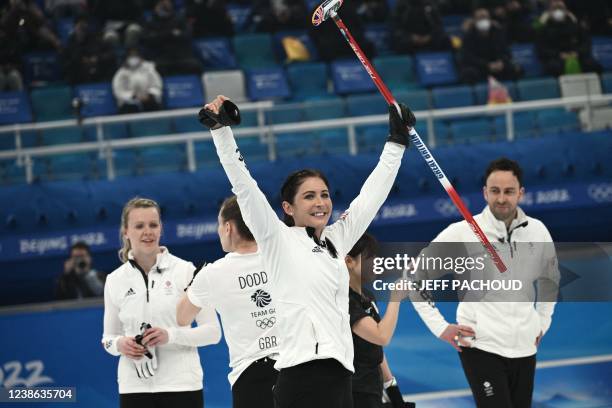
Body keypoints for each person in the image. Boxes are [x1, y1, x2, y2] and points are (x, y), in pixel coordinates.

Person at [198, 95, 415, 408]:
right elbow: (244, 186)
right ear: (288, 207)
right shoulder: (277, 240)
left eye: (324, 195)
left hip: (342, 376)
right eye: (309, 196)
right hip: (301, 379)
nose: (320, 203)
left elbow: (372, 196)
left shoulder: (336, 241)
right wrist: (221, 131)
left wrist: (396, 143)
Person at [409, 158, 559, 407]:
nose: (501, 198)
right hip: (481, 347)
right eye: (495, 191)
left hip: (525, 348)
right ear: (484, 193)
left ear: (521, 193)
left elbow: (550, 281)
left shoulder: (538, 231)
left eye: (509, 191)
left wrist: (542, 322)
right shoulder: (462, 233)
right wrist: (440, 327)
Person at [101, 197, 222, 408]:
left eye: (153, 225)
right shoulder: (114, 280)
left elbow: (213, 332)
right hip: (134, 388)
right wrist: (121, 344)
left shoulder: (185, 271)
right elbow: (108, 339)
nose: (147, 231)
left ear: (161, 229)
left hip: (182, 387)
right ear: (126, 232)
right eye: (139, 226)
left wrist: (170, 335)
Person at [176, 195, 279, 408]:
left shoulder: (212, 273)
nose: (218, 230)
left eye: (219, 224)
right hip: (297, 369)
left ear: (229, 227)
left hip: (251, 376)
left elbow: (182, 317)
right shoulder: (281, 257)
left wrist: (194, 283)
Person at [346, 233, 413, 408]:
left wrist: (393, 391)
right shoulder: (344, 301)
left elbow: (375, 347)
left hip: (372, 389)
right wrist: (395, 298)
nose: (376, 262)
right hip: (353, 391)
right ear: (349, 262)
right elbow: (381, 336)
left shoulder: (368, 296)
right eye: (369, 258)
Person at [535, 0, 602, 77]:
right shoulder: (544, 29)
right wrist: (559, 55)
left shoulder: (576, 26)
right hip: (556, 58)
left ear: (566, 10)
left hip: (577, 55)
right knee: (554, 67)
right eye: (554, 8)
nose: (558, 11)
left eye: (560, 8)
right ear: (549, 11)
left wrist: (577, 52)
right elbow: (542, 49)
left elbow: (586, 43)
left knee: (593, 65)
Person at [459, 8, 523, 83]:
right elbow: (468, 57)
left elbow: (506, 52)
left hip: (498, 65)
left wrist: (501, 62)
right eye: (480, 18)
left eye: (485, 17)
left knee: (516, 69)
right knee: (469, 73)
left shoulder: (498, 33)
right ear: (474, 20)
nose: (483, 20)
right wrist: (487, 65)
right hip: (480, 67)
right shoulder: (468, 36)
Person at [112, 48, 163, 114]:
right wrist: (133, 96)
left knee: (153, 106)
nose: (133, 58)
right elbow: (118, 91)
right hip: (129, 103)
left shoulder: (149, 68)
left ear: (141, 57)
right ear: (126, 58)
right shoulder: (121, 73)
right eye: (131, 56)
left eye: (136, 56)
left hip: (149, 100)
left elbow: (157, 85)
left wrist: (150, 95)